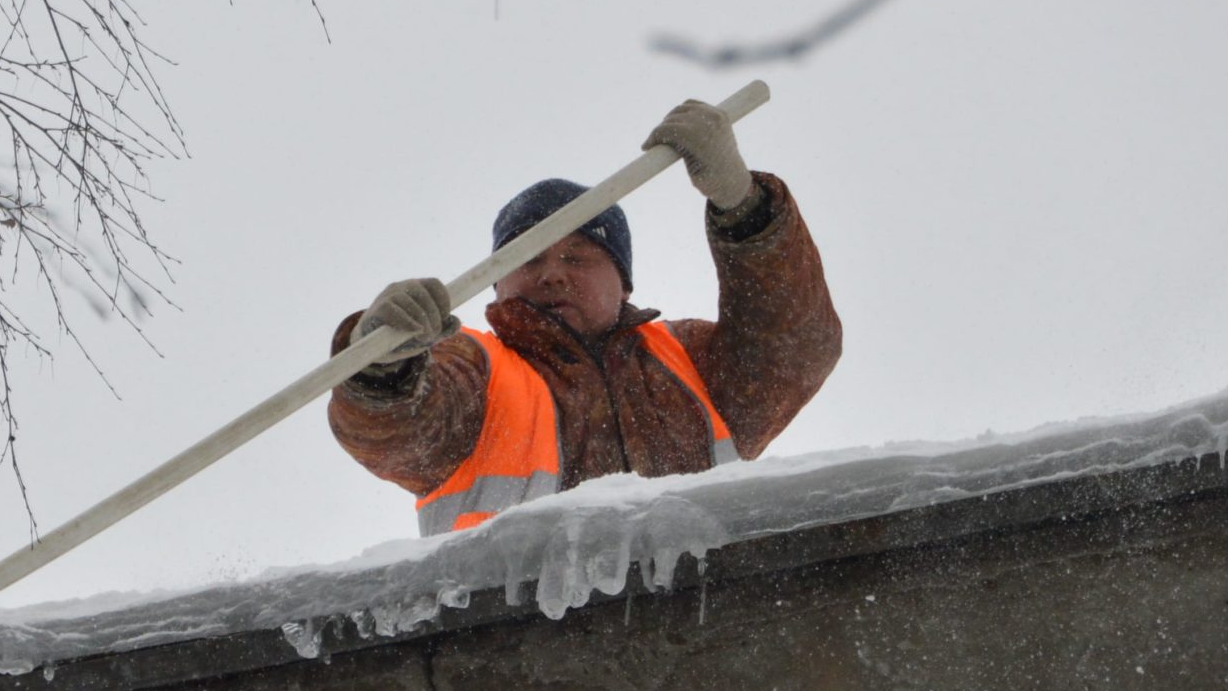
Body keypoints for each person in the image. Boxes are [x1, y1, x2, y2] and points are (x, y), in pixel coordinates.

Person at [328, 98, 843, 533]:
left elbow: (795, 349)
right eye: (528, 258)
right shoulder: (475, 368)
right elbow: (396, 435)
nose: (552, 274)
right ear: (498, 284)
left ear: (623, 281)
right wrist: (381, 367)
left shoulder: (688, 361)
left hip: (709, 633)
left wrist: (744, 206)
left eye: (577, 257)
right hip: (513, 642)